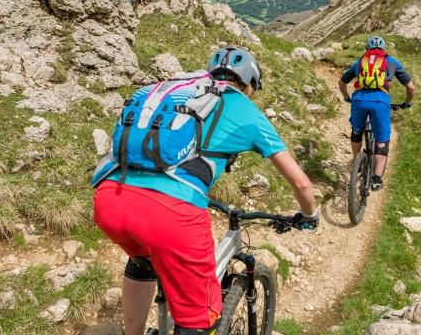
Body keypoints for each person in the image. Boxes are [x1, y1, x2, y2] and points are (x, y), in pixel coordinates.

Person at [93, 46, 318, 335]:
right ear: (250, 85)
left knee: (143, 259)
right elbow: (301, 183)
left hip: (111, 196)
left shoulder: (178, 91)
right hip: (170, 213)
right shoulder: (244, 106)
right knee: (198, 319)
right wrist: (310, 214)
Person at [338, 36, 415, 191]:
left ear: (367, 49)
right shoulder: (392, 62)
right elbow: (411, 87)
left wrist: (347, 97)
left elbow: (342, 82)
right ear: (384, 50)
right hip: (381, 102)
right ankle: (377, 179)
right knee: (382, 139)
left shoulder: (359, 62)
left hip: (359, 100)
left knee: (356, 130)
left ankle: (357, 161)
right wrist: (406, 103)